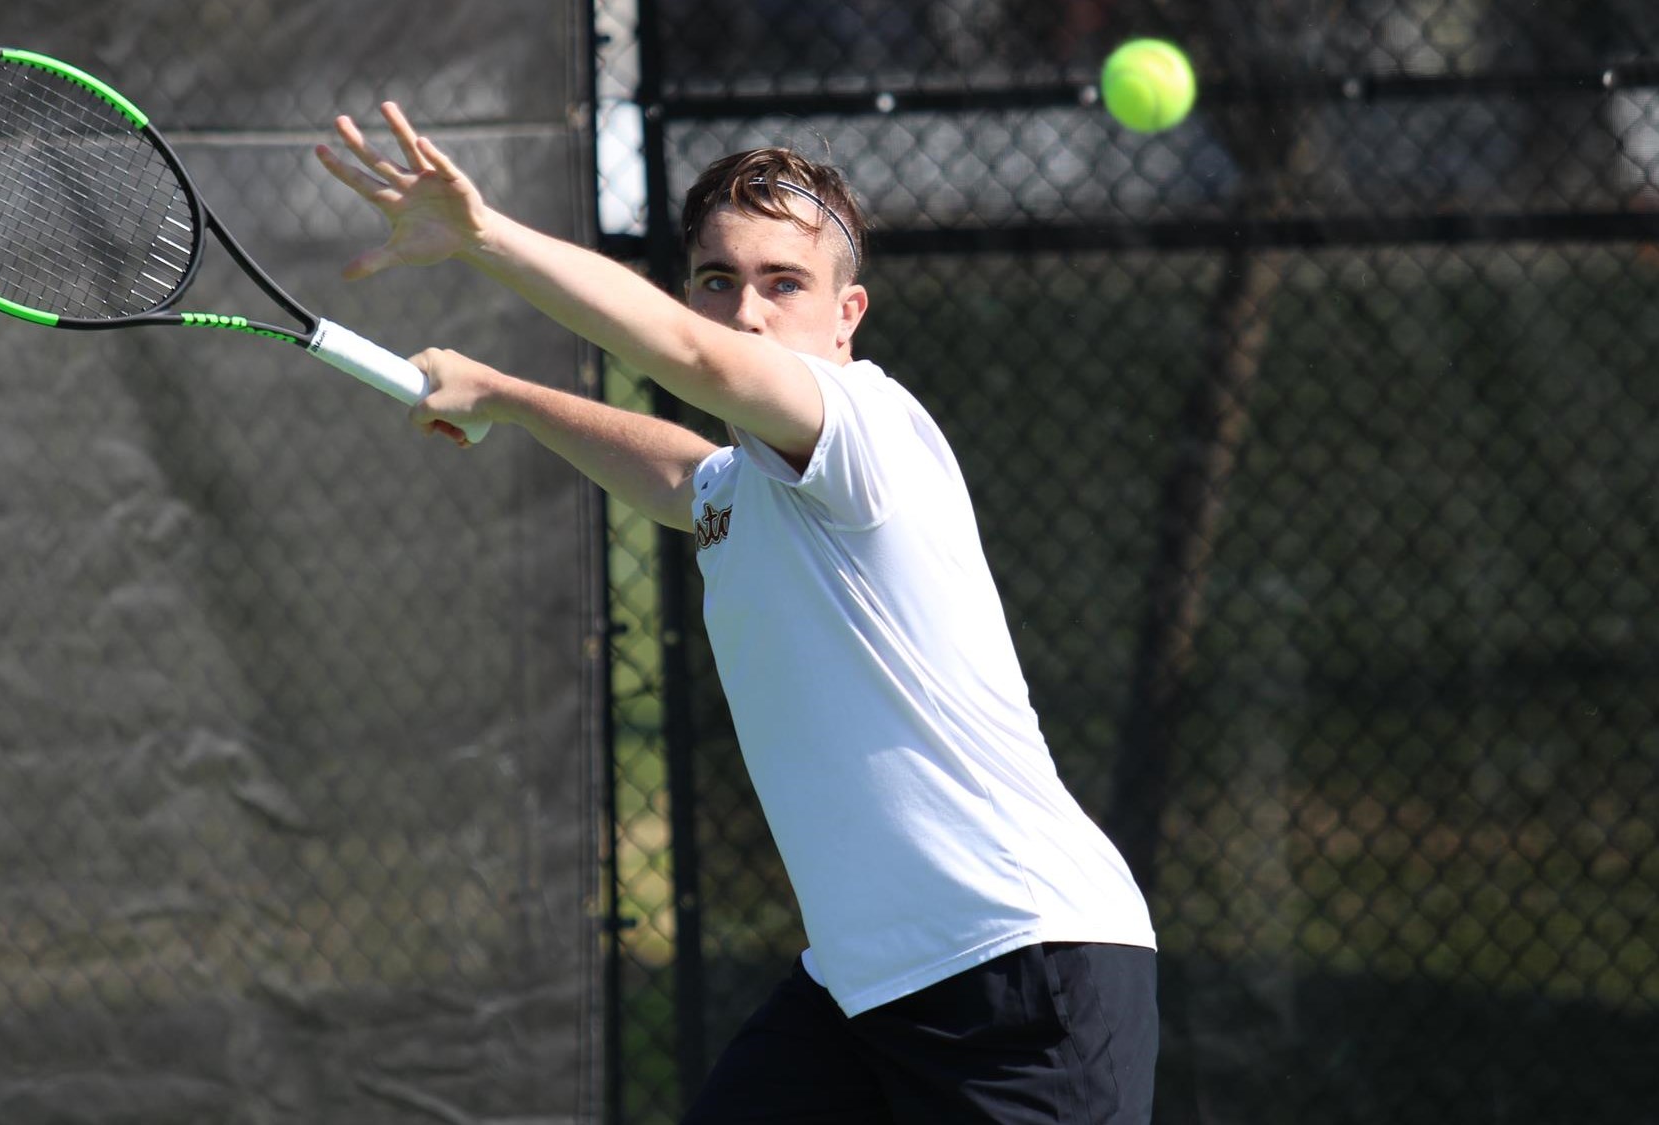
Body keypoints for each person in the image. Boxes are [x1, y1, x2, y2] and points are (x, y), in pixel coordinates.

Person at [316, 103, 1159, 1125]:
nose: (745, 311)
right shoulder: (749, 486)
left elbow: (696, 364)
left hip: (1016, 971)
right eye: (716, 280)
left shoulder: (864, 430)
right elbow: (685, 477)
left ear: (846, 315)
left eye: (783, 283)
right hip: (858, 990)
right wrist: (503, 394)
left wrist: (482, 236)